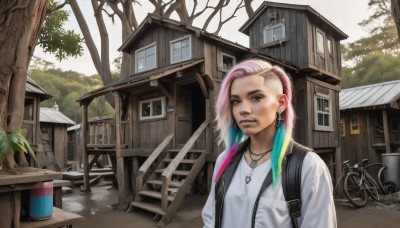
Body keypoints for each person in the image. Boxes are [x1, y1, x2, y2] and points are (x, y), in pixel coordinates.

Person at [202, 59, 336, 228]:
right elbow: (210, 220)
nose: (243, 109)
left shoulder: (307, 166)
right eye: (236, 101)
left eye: (256, 97)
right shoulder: (224, 160)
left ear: (281, 103)